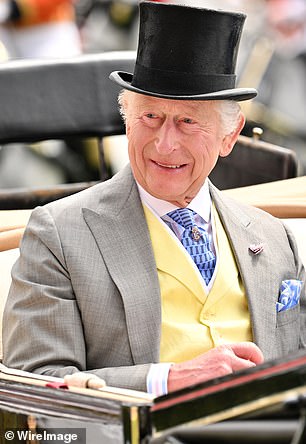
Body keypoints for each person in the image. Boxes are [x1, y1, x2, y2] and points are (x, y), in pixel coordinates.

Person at [2, 1, 305, 396]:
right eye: (150, 118)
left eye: (188, 122)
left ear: (229, 136)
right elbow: (37, 390)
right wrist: (168, 379)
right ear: (127, 122)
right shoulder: (57, 234)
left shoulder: (276, 237)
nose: (164, 144)